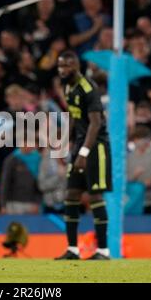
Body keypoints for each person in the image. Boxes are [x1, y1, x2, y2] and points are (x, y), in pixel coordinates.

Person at [55, 50, 112, 260]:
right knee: (72, 194)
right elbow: (72, 115)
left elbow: (96, 123)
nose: (62, 70)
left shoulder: (89, 88)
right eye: (60, 66)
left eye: (66, 66)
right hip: (79, 146)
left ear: (76, 66)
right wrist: (64, 144)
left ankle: (103, 251)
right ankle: (72, 249)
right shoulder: (67, 86)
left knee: (95, 196)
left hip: (96, 147)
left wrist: (84, 153)